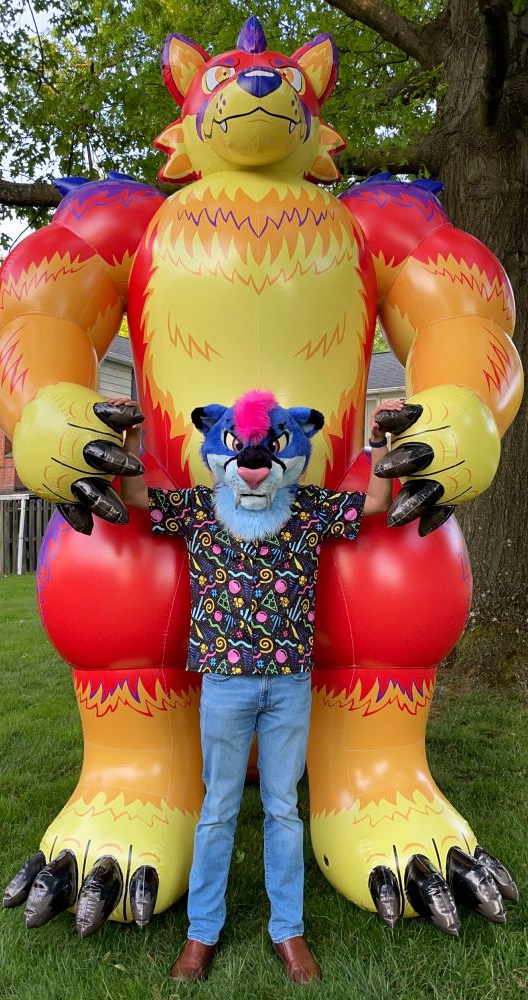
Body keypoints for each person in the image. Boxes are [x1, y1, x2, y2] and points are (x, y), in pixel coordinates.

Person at [117, 390, 405, 985]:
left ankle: (288, 931)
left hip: (289, 683)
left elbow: (378, 500)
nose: (254, 462)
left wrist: (382, 439)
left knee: (282, 808)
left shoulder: (309, 508)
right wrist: (131, 435)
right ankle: (201, 934)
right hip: (225, 683)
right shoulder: (200, 507)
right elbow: (136, 497)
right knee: (218, 809)